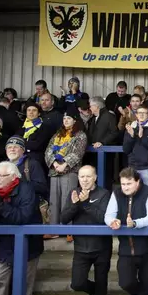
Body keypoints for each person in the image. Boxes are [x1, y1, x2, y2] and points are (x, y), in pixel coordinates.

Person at [0, 161, 44, 295]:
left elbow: (21, 218)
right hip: (5, 244)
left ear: (12, 177)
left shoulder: (26, 189)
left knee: (25, 283)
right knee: (0, 282)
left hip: (29, 245)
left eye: (1, 176)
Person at [104, 167, 148, 295]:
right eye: (123, 184)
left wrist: (135, 223)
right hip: (126, 248)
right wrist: (112, 221)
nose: (125, 187)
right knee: (125, 282)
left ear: (137, 182)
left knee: (146, 287)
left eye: (129, 184)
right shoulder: (116, 194)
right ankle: (139, 294)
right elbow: (108, 215)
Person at [60, 165, 112, 295]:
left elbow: (103, 218)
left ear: (95, 177)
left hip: (101, 246)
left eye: (88, 176)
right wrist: (76, 205)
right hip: (81, 247)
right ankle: (97, 291)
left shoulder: (104, 194)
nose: (85, 180)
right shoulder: (74, 192)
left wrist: (85, 204)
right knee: (77, 284)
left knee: (101, 283)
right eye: (82, 176)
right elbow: (64, 218)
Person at [44, 108, 88, 238]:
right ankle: (54, 230)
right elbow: (48, 151)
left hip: (70, 171)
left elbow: (78, 153)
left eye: (69, 118)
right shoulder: (57, 135)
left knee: (67, 200)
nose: (66, 121)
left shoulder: (80, 135)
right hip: (54, 170)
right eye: (64, 119)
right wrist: (54, 163)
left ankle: (69, 230)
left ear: (75, 121)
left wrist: (65, 165)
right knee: (54, 200)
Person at [123, 104, 148, 188]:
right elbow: (126, 149)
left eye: (144, 113)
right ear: (136, 114)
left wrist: (142, 136)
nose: (141, 115)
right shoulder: (131, 128)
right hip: (133, 167)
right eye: (139, 113)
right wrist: (132, 136)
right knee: (133, 195)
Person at [5, 135, 49, 208]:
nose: (12, 149)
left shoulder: (32, 164)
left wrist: (19, 183)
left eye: (16, 147)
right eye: (9, 147)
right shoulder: (2, 167)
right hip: (6, 210)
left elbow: (43, 188)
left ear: (23, 150)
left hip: (28, 209)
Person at [17, 101, 54, 172]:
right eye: (29, 110)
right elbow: (16, 141)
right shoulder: (22, 126)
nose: (31, 112)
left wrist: (22, 143)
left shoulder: (44, 127)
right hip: (21, 158)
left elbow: (37, 145)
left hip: (37, 160)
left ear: (39, 113)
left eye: (34, 110)